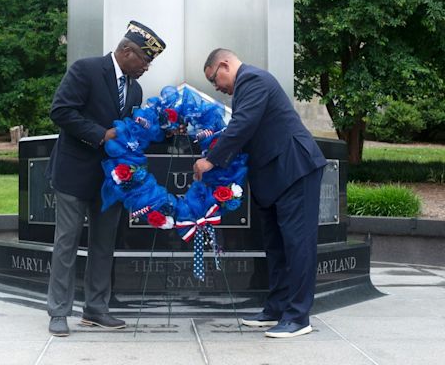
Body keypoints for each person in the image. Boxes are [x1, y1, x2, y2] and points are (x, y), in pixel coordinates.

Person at [193, 48, 327, 338]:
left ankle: (298, 317)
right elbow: (242, 131)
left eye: (215, 80)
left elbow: (243, 126)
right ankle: (277, 308)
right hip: (273, 175)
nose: (217, 88)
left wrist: (211, 160)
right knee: (276, 245)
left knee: (297, 244)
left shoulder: (253, 80)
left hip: (295, 169)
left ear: (225, 65)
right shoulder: (246, 86)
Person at [45, 21, 166, 337]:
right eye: (144, 59)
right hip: (73, 173)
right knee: (67, 243)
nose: (146, 67)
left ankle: (96, 309)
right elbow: (61, 111)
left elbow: (128, 134)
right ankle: (59, 312)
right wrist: (101, 135)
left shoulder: (135, 89)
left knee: (103, 245)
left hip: (111, 182)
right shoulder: (86, 70)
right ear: (127, 51)